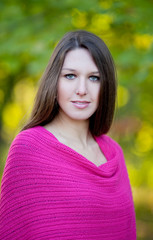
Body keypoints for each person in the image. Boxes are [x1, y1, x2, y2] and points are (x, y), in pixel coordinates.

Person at [0, 30, 136, 240]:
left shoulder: (113, 153)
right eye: (70, 75)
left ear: (105, 86)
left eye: (94, 78)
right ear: (54, 81)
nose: (82, 89)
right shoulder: (29, 147)